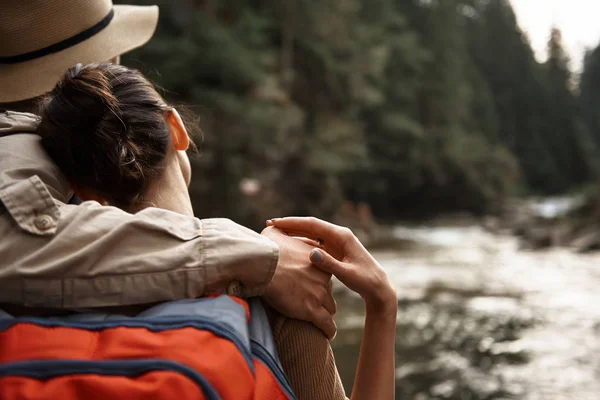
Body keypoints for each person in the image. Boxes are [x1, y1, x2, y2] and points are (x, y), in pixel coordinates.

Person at [34, 62, 397, 399]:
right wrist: (382, 306)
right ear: (174, 127)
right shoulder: (277, 289)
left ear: (79, 190)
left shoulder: (46, 283)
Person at [0, 0, 336, 339]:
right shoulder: (16, 147)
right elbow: (11, 245)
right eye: (112, 52)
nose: (120, 62)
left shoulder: (46, 160)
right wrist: (253, 256)